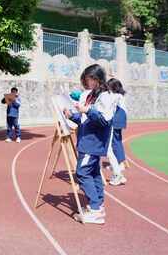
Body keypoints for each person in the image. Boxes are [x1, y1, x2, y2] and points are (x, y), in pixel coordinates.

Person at [64, 64, 115, 224]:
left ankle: (95, 209)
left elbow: (103, 120)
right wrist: (72, 115)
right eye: (86, 79)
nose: (87, 83)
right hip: (88, 140)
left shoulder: (105, 96)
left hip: (92, 142)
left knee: (82, 173)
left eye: (90, 79)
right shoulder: (92, 95)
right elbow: (85, 120)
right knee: (93, 174)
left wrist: (86, 110)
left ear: (97, 79)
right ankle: (98, 205)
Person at [107, 78, 128, 186]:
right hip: (121, 118)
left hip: (117, 119)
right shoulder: (120, 95)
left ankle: (119, 164)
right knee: (117, 141)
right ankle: (119, 163)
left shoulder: (116, 96)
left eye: (109, 87)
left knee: (114, 143)